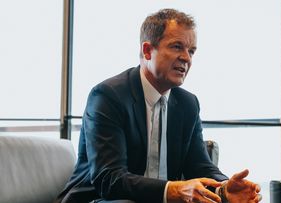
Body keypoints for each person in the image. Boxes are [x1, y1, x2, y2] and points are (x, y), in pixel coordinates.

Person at [55, 8, 261, 203]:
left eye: (192, 51)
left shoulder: (188, 104)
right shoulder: (108, 96)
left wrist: (223, 188)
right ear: (147, 50)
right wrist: (172, 190)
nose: (186, 58)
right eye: (177, 47)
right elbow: (109, 179)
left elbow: (200, 166)